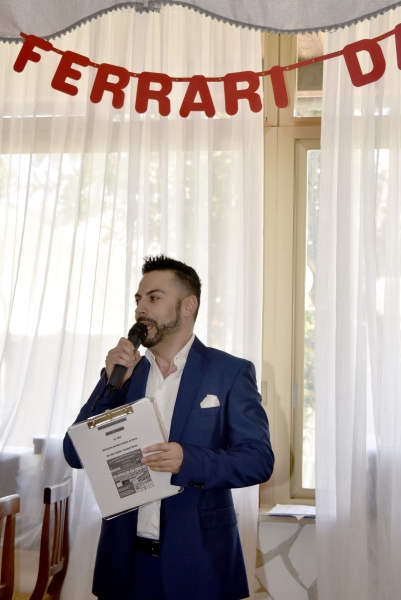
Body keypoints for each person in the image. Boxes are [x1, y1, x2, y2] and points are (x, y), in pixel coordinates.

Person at [63, 255, 274, 600]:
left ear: (188, 305)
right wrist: (110, 386)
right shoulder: (123, 373)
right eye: (138, 299)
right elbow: (74, 453)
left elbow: (258, 460)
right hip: (126, 567)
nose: (140, 308)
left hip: (201, 567)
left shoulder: (230, 373)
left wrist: (187, 460)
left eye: (154, 297)